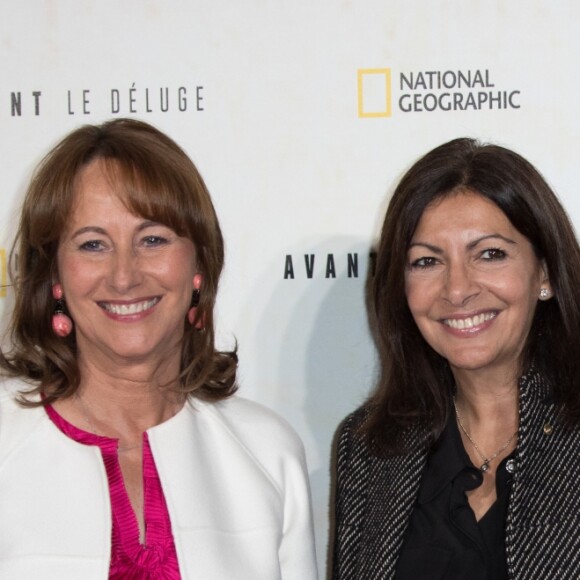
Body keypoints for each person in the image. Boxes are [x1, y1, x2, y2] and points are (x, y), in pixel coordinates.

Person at [0, 118, 318, 579]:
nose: (124, 275)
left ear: (199, 266)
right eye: (93, 245)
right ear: (54, 277)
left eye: (152, 240)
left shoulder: (268, 454)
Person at [332, 138, 580, 579]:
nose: (458, 289)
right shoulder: (370, 445)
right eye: (427, 261)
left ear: (544, 272)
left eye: (490, 254)